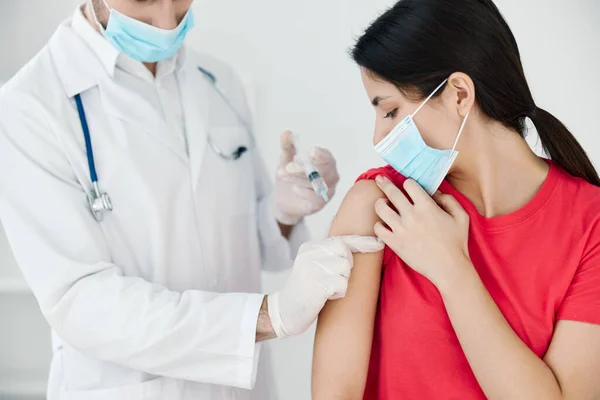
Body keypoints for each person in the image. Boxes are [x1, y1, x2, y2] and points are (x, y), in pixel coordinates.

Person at [0, 1, 384, 399]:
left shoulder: (219, 80)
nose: (167, 23)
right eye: (145, 1)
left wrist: (282, 212)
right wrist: (271, 315)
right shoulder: (29, 107)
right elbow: (80, 302)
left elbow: (240, 237)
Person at [312, 0, 600, 398]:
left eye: (391, 111)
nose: (379, 137)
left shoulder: (591, 224)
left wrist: (451, 269)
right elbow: (334, 393)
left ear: (459, 94)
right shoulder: (379, 206)